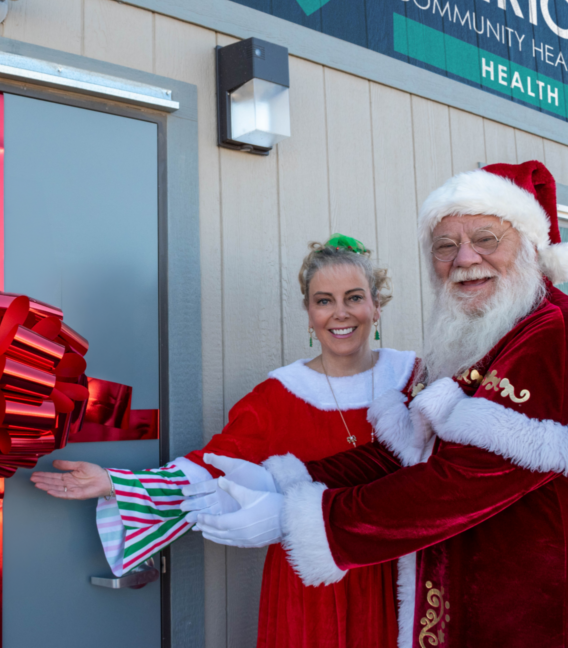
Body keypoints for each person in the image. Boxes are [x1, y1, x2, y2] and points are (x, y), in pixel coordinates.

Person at [198, 161, 568, 648]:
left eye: (485, 238)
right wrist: (289, 481)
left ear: (530, 247)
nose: (464, 259)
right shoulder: (477, 339)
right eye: (445, 246)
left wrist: (304, 519)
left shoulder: (562, 336)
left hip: (549, 628)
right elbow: (403, 451)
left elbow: (463, 480)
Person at [31, 235, 416, 648]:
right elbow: (211, 467)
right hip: (316, 586)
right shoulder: (278, 395)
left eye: (354, 297)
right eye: (324, 301)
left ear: (376, 305)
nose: (340, 313)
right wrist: (116, 484)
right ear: (308, 313)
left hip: (408, 568)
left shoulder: (416, 378)